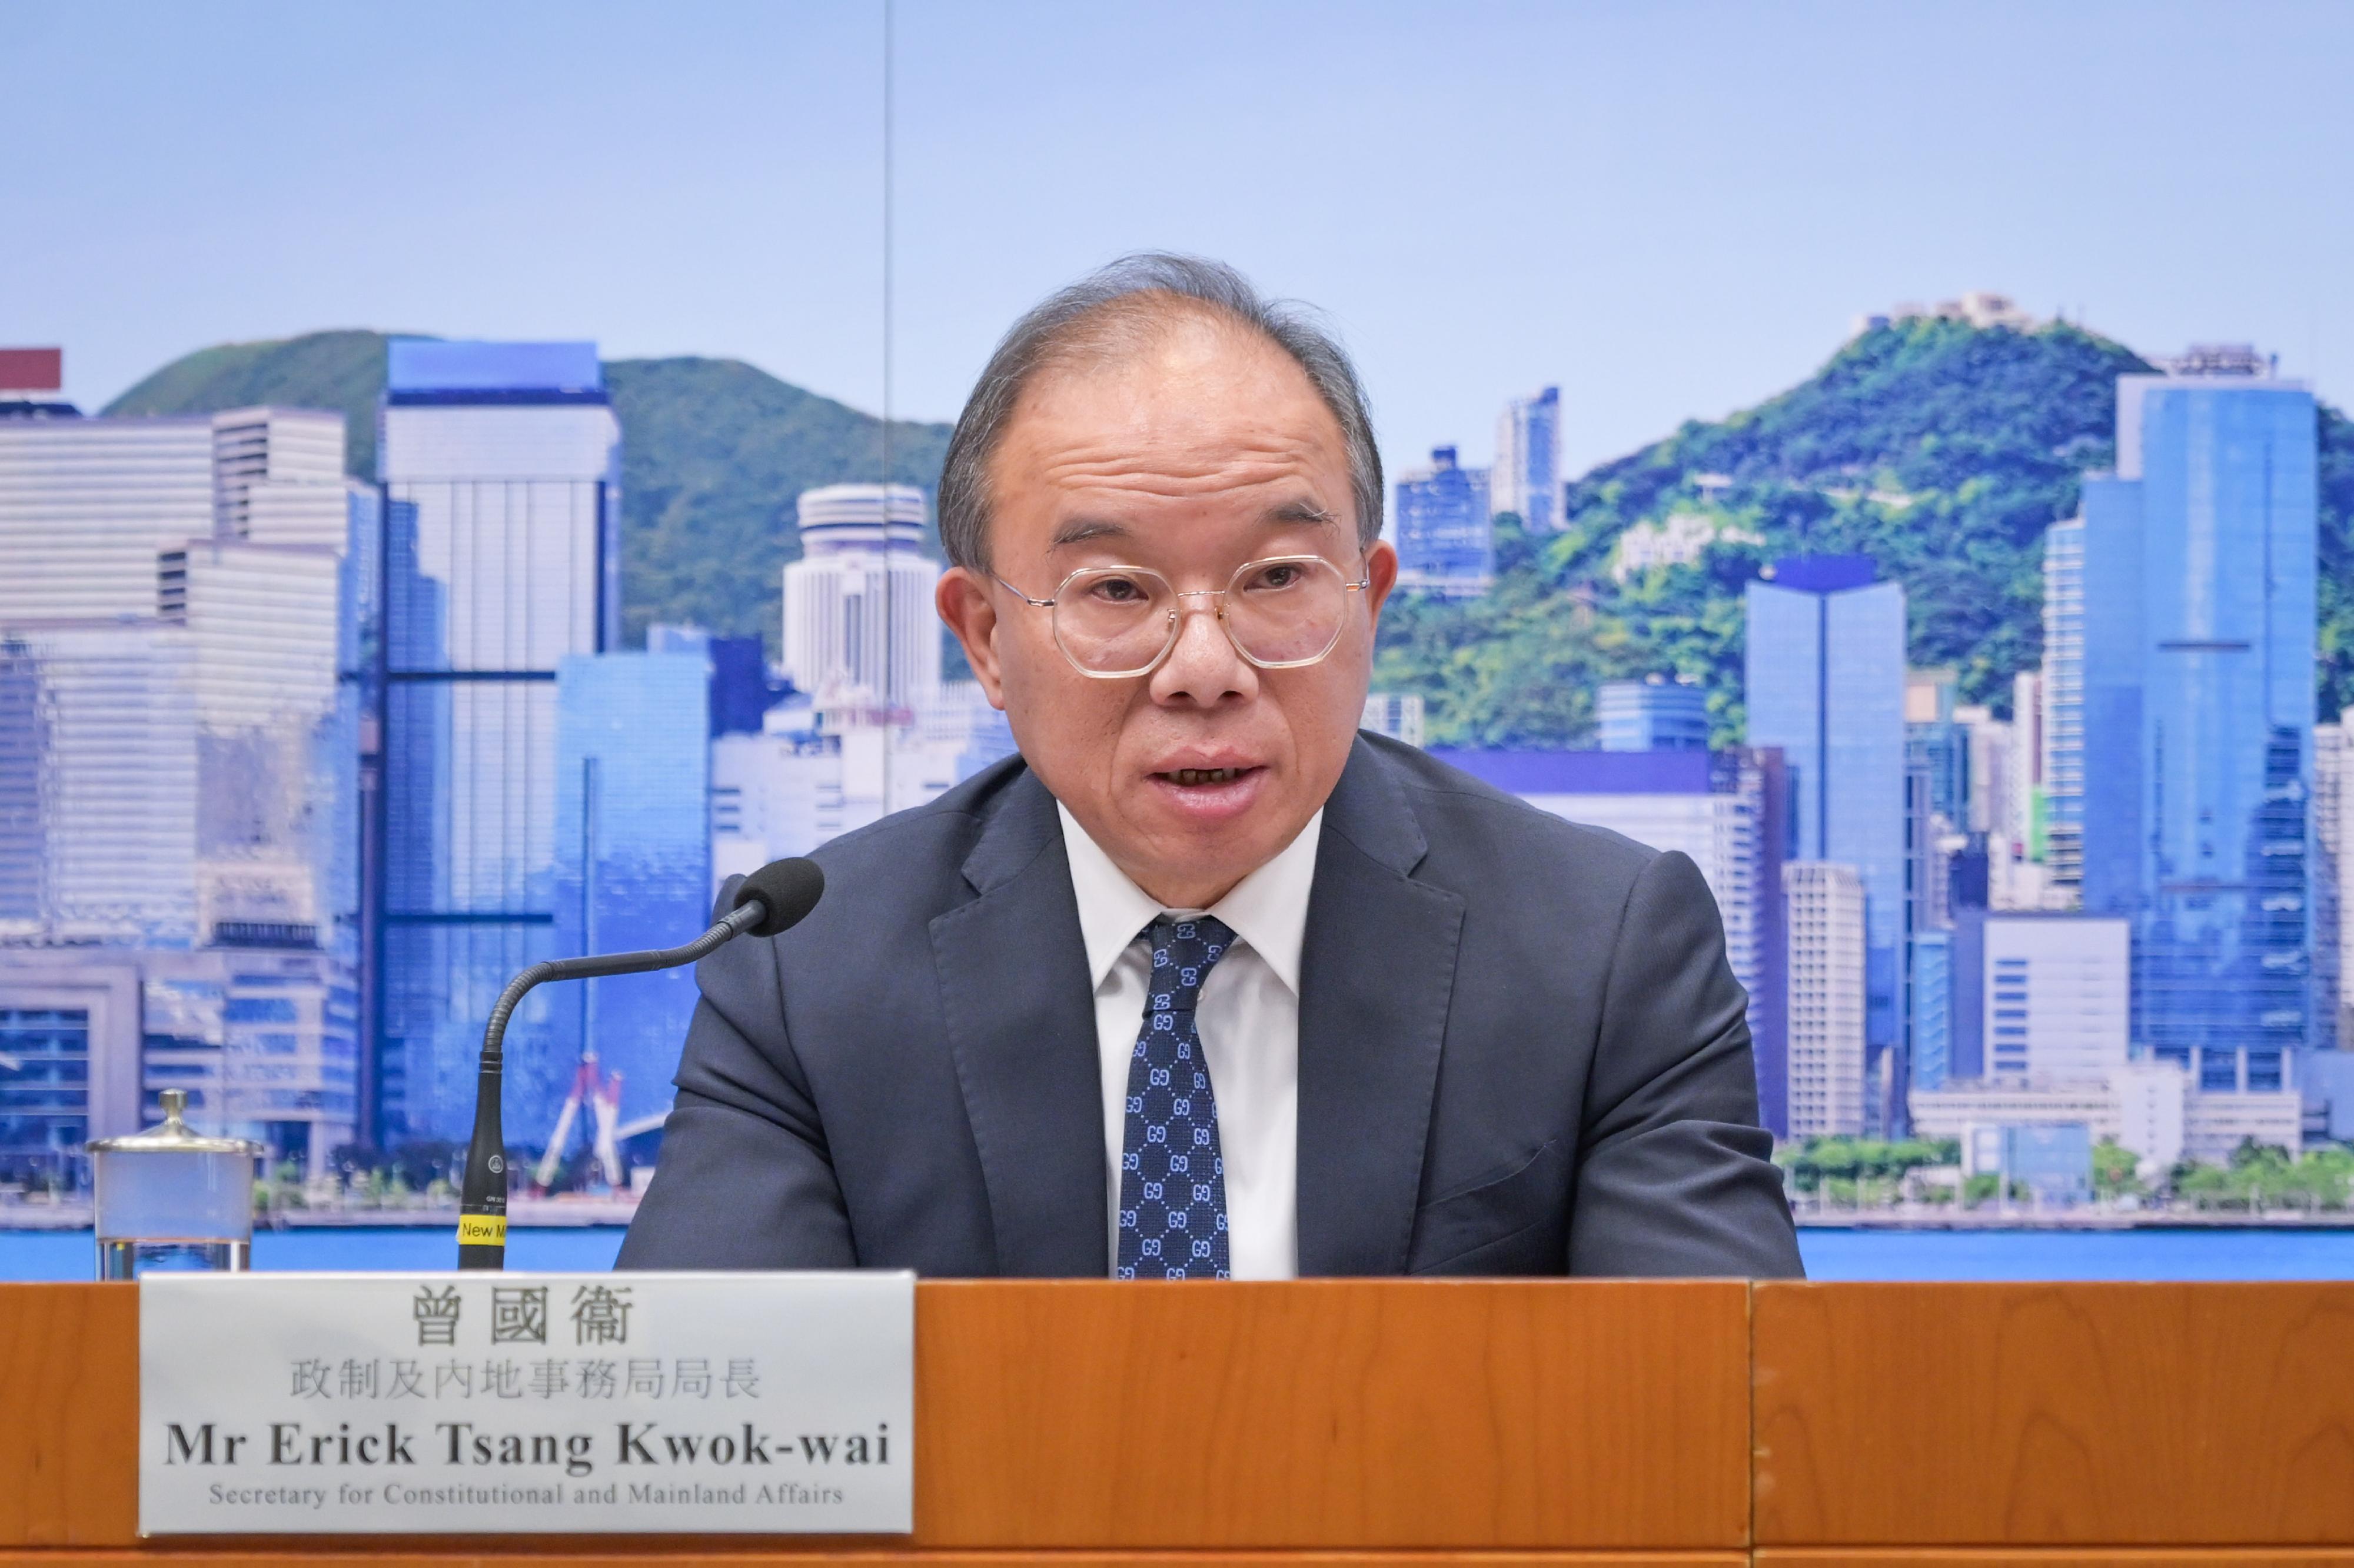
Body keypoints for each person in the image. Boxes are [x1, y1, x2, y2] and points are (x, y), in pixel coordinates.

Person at [620, 254, 1802, 1279]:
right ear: (983, 636)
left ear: (1370, 600)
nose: (1203, 667)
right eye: (1117, 591)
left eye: (1277, 579)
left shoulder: (1598, 949)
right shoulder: (807, 973)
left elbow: (1719, 1426)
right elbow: (696, 1428)